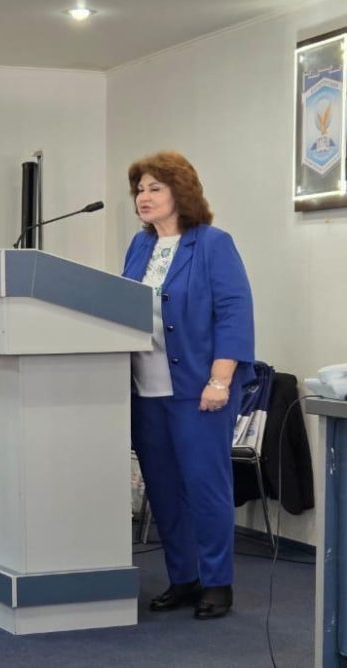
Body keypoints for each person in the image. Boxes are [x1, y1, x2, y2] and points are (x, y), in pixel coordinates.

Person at [122, 151, 254, 620]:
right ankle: (183, 578)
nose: (144, 197)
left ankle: (217, 582)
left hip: (199, 389)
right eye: (140, 189)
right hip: (146, 390)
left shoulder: (213, 244)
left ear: (181, 192)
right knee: (163, 490)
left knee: (205, 486)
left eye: (155, 188)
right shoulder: (139, 247)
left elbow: (234, 313)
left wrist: (221, 379)